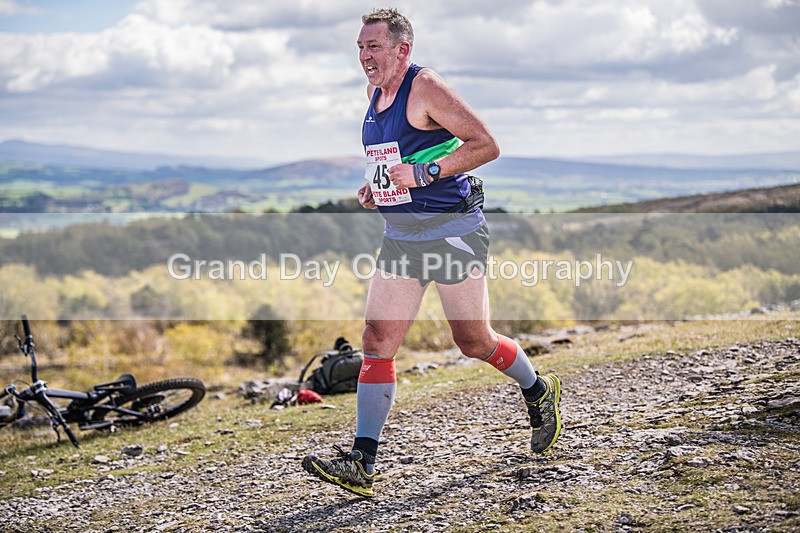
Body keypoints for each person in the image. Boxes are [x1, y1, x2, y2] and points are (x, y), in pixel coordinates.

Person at [302, 7, 561, 498]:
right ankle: (362, 459)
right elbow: (400, 157)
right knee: (377, 337)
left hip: (451, 230)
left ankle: (538, 389)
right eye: (360, 47)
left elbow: (485, 144)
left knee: (473, 341)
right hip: (401, 234)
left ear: (402, 49)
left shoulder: (426, 87)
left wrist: (426, 175)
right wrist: (377, 187)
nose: (364, 57)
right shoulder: (373, 94)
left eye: (373, 47)